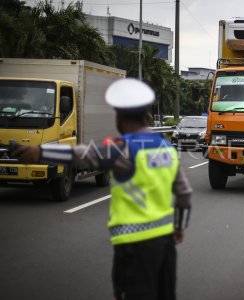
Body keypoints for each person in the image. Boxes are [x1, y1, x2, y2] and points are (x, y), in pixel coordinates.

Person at [11, 78, 193, 300]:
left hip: (134, 247)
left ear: (120, 116)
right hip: (165, 244)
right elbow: (184, 193)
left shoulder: (123, 149)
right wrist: (179, 227)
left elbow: (82, 155)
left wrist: (40, 153)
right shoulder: (167, 148)